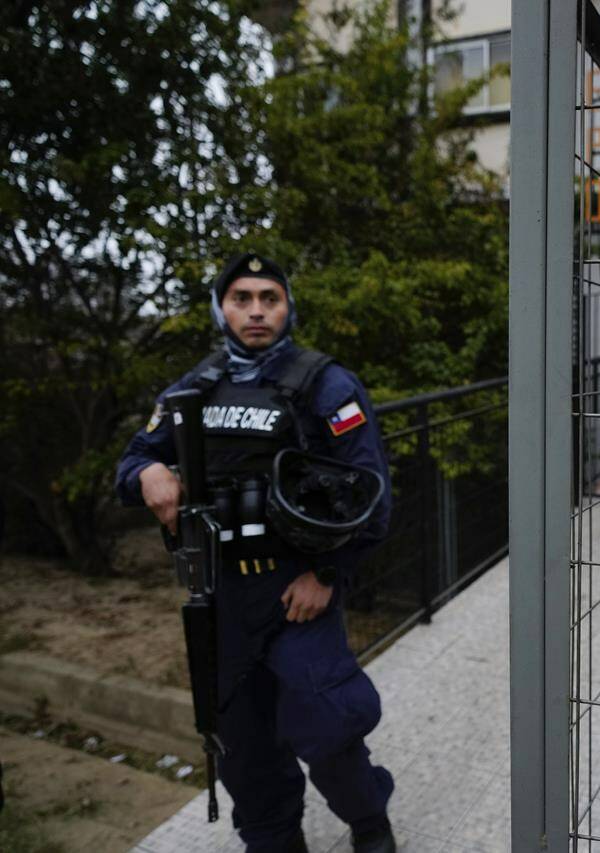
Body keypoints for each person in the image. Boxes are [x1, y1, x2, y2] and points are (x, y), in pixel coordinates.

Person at [116, 253, 396, 853]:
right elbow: (132, 460)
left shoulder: (326, 384)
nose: (256, 310)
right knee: (243, 742)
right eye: (241, 297)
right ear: (222, 308)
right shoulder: (194, 388)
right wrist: (147, 474)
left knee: (328, 726)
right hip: (221, 596)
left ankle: (369, 820)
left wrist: (328, 574)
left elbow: (371, 495)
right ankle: (273, 841)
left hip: (299, 590)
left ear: (288, 306)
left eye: (269, 297)